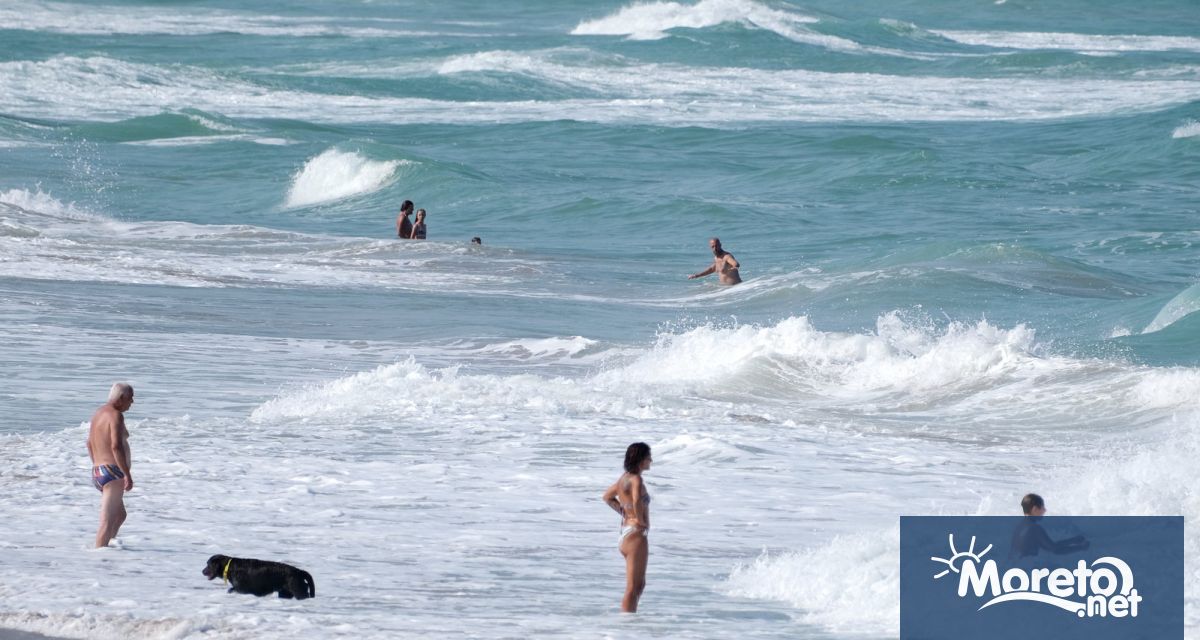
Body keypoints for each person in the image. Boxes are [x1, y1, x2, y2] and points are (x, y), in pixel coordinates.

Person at [602, 443, 652, 613]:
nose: (651, 461)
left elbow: (607, 497)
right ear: (641, 460)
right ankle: (626, 622)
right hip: (636, 535)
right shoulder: (636, 479)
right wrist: (640, 520)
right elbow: (637, 499)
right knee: (633, 587)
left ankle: (630, 619)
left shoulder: (624, 478)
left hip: (626, 533)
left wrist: (625, 513)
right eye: (648, 457)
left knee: (639, 584)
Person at [87, 383, 135, 548]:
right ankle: (98, 556)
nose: (132, 402)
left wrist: (98, 465)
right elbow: (116, 446)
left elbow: (89, 443)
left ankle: (108, 551)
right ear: (121, 398)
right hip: (112, 473)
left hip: (99, 472)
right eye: (130, 398)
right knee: (106, 522)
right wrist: (127, 474)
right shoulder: (116, 416)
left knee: (120, 515)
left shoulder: (98, 413)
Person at [1009, 493, 1088, 559]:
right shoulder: (1034, 528)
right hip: (1026, 568)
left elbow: (1051, 547)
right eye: (1042, 507)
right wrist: (1080, 546)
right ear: (1035, 509)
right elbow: (1054, 549)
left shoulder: (1019, 527)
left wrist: (1075, 542)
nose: (1045, 510)